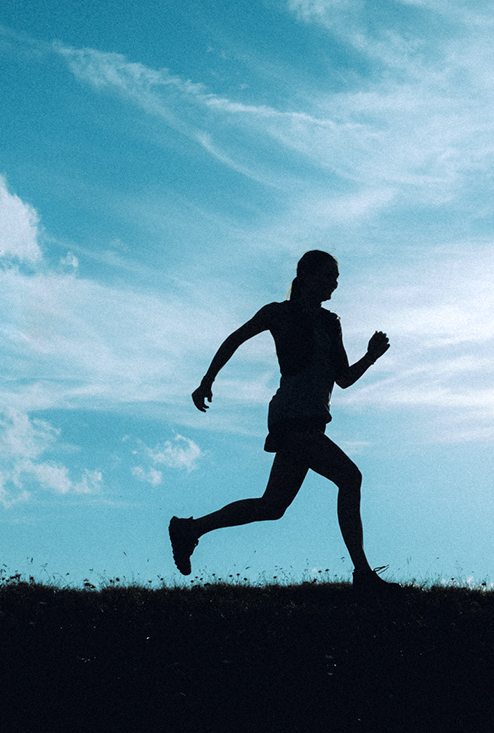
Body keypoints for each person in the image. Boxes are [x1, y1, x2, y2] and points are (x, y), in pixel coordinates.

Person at [169, 250, 397, 589]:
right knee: (350, 478)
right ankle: (362, 573)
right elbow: (235, 339)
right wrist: (207, 380)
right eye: (327, 275)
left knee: (273, 505)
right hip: (292, 417)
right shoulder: (279, 313)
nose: (334, 283)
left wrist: (371, 357)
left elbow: (344, 378)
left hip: (311, 421)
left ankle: (190, 529)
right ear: (305, 275)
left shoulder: (330, 322)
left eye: (336, 278)